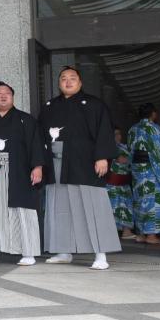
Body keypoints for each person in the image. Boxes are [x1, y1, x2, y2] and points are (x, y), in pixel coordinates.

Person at [39, 66, 121, 270]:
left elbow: (105, 131)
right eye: (63, 78)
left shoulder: (94, 104)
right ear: (59, 83)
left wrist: (102, 157)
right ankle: (63, 250)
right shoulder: (50, 106)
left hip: (85, 162)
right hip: (56, 162)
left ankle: (100, 253)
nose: (68, 81)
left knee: (93, 207)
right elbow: (39, 136)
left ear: (80, 82)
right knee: (59, 207)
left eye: (72, 78)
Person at [0, 81, 45, 266]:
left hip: (19, 170)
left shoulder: (26, 120)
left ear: (13, 96)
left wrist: (38, 167)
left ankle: (28, 251)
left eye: (7, 92)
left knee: (22, 211)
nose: (3, 95)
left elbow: (36, 145)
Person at [128, 103, 160, 245]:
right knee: (153, 201)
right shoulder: (154, 128)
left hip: (138, 171)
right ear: (153, 114)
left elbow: (131, 150)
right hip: (152, 171)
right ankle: (151, 236)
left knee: (140, 200)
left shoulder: (133, 129)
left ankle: (141, 234)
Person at [106, 127, 135, 240]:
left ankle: (126, 231)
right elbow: (121, 160)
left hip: (124, 182)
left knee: (126, 207)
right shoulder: (107, 146)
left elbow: (129, 159)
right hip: (111, 183)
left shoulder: (125, 147)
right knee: (112, 208)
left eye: (119, 134)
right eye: (115, 134)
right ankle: (109, 233)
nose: (118, 136)